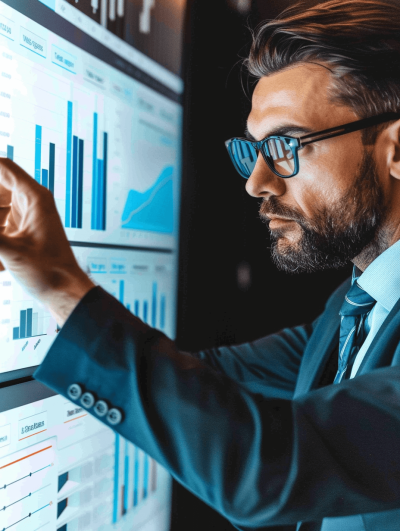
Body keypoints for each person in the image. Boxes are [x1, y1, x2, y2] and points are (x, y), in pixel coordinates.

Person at [1, 0, 400, 529]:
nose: (256, 182)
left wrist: (60, 285)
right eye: (252, 150)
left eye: (285, 145)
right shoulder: (352, 311)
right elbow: (207, 381)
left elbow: (271, 468)